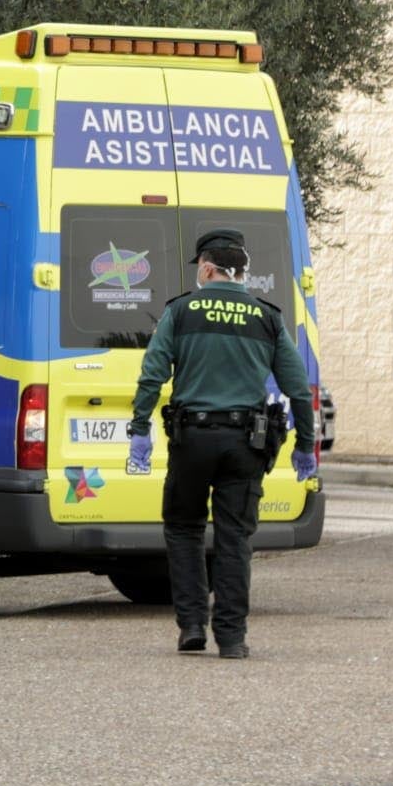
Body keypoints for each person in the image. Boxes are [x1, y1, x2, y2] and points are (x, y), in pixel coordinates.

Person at [126, 228, 317, 660]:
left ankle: (192, 625)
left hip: (192, 440)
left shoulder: (181, 312)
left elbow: (152, 373)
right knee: (234, 539)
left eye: (201, 268)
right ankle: (232, 637)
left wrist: (140, 427)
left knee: (184, 528)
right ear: (242, 272)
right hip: (245, 443)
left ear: (208, 269)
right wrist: (305, 445)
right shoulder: (267, 317)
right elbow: (298, 390)